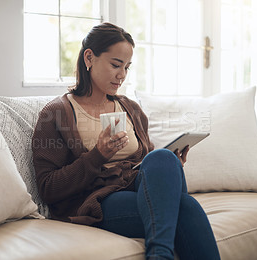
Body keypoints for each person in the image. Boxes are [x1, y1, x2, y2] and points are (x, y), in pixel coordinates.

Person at [32, 22, 220, 260]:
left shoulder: (131, 108)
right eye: (115, 65)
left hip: (137, 187)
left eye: (127, 67)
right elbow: (48, 188)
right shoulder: (57, 113)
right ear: (89, 57)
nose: (122, 75)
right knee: (186, 208)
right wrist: (97, 156)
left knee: (162, 157)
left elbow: (146, 165)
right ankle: (160, 254)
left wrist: (171, 167)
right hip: (99, 200)